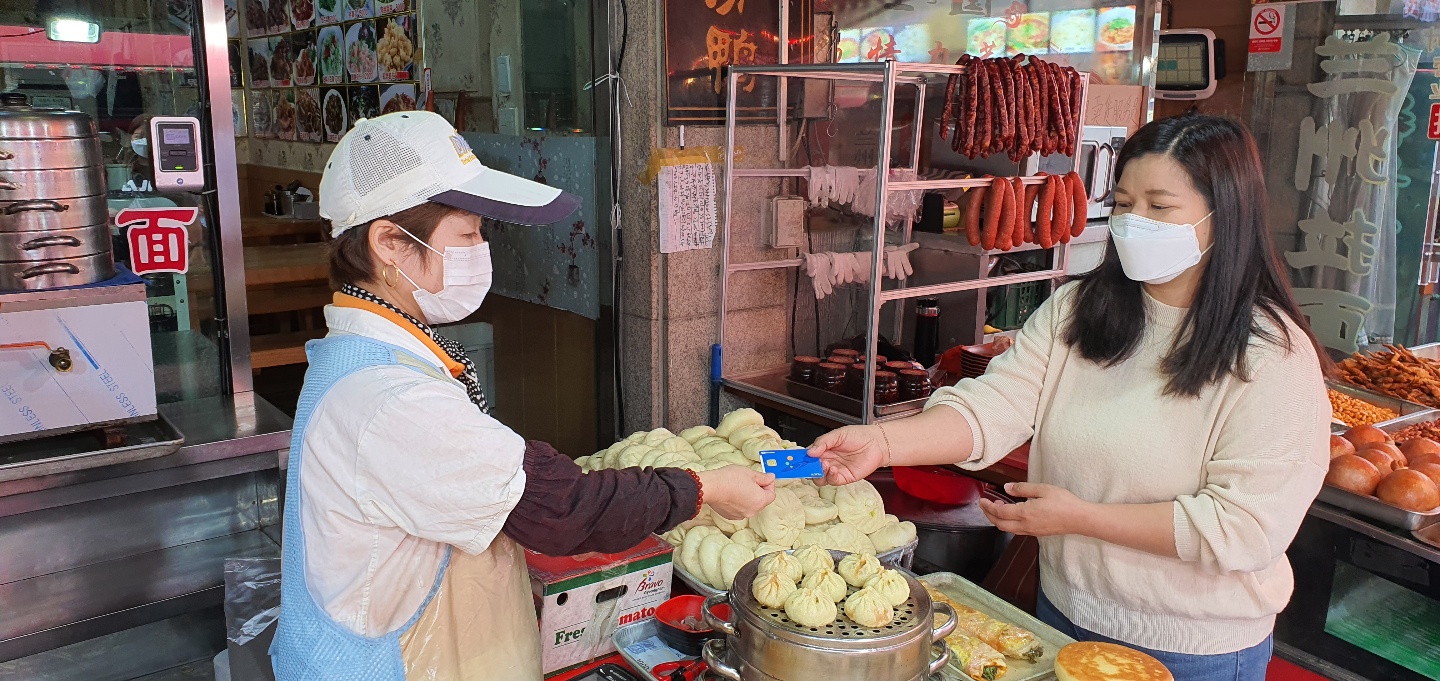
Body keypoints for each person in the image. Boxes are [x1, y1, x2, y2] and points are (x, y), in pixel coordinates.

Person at [810, 114, 1328, 681]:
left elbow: (1244, 527)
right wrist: (882, 443)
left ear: (1223, 217)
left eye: (1160, 207)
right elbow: (996, 404)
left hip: (1191, 649)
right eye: (1125, 204)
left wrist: (1082, 519)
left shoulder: (1270, 356)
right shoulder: (1079, 309)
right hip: (1062, 618)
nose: (1135, 223)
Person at [270, 111, 777, 680]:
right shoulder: (389, 401)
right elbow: (560, 509)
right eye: (466, 235)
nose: (480, 249)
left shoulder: (371, 357)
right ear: (389, 243)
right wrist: (704, 489)